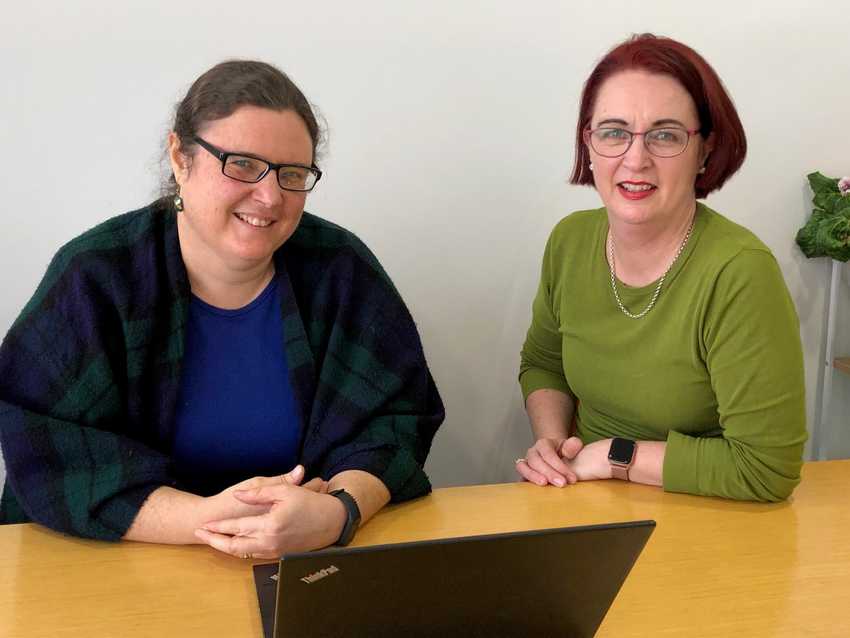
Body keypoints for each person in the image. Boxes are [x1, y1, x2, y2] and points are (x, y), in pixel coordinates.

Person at [0, 60, 444, 558]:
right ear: (179, 157)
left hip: (302, 563)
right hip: (109, 564)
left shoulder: (341, 271)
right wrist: (215, 519)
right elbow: (41, 444)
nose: (270, 196)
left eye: (292, 174)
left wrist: (340, 511)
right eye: (243, 164)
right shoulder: (96, 276)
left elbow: (398, 419)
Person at [515, 34, 806, 502]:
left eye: (665, 135)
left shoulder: (739, 272)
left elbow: (766, 469)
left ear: (705, 151)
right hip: (585, 497)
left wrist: (615, 456)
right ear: (588, 144)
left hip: (712, 514)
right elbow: (544, 364)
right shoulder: (569, 241)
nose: (635, 158)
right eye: (613, 132)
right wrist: (552, 443)